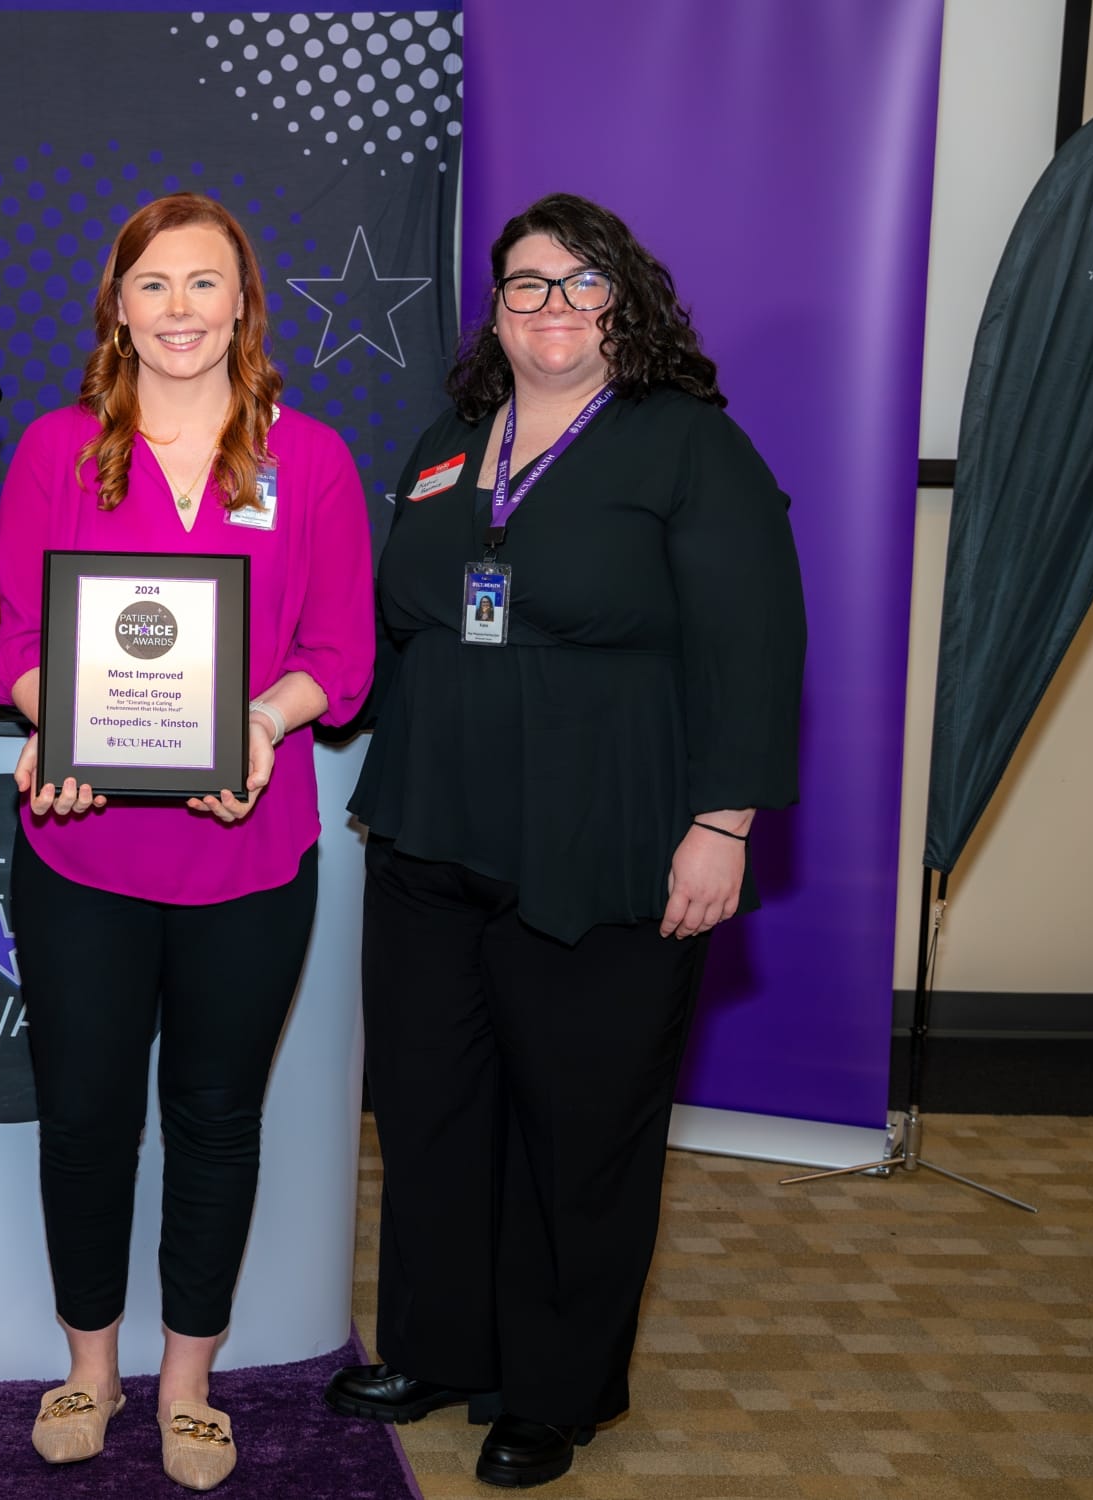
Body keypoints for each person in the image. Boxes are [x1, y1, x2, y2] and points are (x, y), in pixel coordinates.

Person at [324, 193, 806, 1488]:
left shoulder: (688, 447)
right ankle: (437, 1345)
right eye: (524, 284)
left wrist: (723, 825)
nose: (549, 305)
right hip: (430, 838)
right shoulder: (446, 441)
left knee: (578, 1128)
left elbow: (756, 649)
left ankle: (552, 1388)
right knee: (429, 1108)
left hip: (606, 844)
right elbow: (400, 616)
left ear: (623, 302)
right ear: (496, 310)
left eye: (577, 283)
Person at [0, 193, 374, 1492]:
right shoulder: (57, 450)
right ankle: (90, 1369)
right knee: (88, 1121)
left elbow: (344, 658)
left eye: (203, 285)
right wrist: (67, 728)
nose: (177, 312)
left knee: (216, 1117)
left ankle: (188, 1384)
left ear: (242, 305)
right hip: (82, 859)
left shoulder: (305, 460)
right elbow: (18, 647)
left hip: (250, 854)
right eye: (152, 286)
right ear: (117, 305)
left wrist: (261, 726)